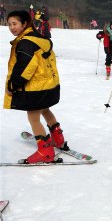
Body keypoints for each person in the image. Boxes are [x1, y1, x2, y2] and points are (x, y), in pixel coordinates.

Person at [4, 10, 66, 163]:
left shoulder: (26, 43)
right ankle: (58, 138)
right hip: (49, 85)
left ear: (24, 24)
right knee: (45, 109)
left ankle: (45, 151)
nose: (12, 27)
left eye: (15, 24)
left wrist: (12, 85)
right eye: (9, 24)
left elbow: (25, 68)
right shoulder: (39, 38)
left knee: (33, 117)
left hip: (35, 88)